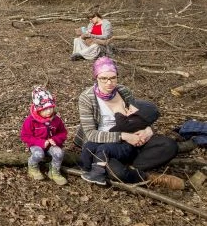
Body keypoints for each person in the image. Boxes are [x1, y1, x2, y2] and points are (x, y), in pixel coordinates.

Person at [75, 56, 183, 188]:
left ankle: (132, 166)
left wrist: (148, 130)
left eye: (113, 78)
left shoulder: (124, 91)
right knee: (116, 172)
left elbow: (138, 117)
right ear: (96, 78)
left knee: (169, 145)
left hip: (130, 139)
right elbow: (91, 134)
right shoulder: (86, 98)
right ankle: (149, 177)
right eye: (103, 78)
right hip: (103, 144)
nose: (109, 82)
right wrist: (124, 136)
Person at [20, 86, 68, 186]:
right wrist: (41, 143)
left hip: (51, 144)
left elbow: (63, 133)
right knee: (38, 154)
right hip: (36, 144)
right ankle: (32, 167)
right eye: (45, 109)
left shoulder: (56, 120)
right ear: (38, 109)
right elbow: (25, 136)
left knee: (59, 153)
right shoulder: (30, 121)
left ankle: (54, 171)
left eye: (51, 107)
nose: (49, 111)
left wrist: (55, 139)